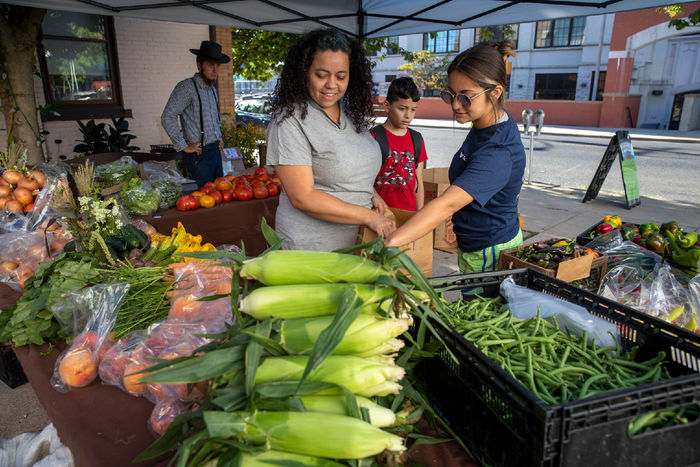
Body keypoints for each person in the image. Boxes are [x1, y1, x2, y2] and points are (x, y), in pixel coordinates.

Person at [386, 41, 525, 274]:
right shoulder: (487, 122)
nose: (456, 105)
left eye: (466, 97)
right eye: (451, 95)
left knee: (479, 308)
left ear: (495, 92)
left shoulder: (498, 151)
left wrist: (391, 242)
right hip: (475, 244)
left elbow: (446, 204)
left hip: (489, 251)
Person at [266, 28, 395, 251]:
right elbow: (302, 197)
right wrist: (368, 217)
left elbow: (351, 165)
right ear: (304, 72)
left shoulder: (349, 112)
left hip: (356, 244)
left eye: (341, 76)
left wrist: (372, 195)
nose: (332, 84)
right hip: (311, 248)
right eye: (321, 75)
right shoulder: (288, 120)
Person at [161, 40, 229, 188]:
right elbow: (168, 116)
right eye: (211, 65)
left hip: (215, 152)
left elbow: (214, 119)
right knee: (203, 199)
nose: (215, 70)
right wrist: (183, 145)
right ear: (199, 64)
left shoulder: (212, 90)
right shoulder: (186, 87)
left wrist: (219, 137)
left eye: (217, 66)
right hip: (199, 154)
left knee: (219, 195)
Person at [371, 77, 428, 212]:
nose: (408, 115)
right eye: (402, 108)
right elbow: (361, 180)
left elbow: (418, 182)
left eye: (413, 109)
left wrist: (419, 214)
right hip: (378, 216)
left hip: (407, 217)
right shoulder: (373, 137)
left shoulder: (417, 139)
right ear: (387, 106)